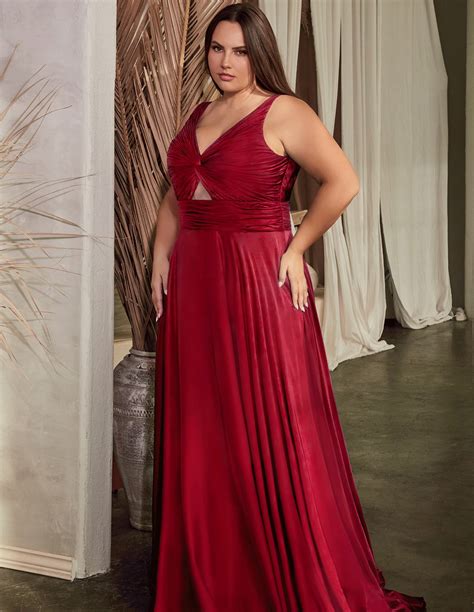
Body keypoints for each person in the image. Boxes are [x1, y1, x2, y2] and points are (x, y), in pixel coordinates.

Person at [149, 4, 427, 611]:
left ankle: (274, 566)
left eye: (239, 51)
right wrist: (161, 256)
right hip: (195, 285)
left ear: (260, 54)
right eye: (217, 49)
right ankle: (214, 566)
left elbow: (344, 181)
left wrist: (297, 247)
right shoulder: (200, 114)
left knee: (266, 424)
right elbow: (178, 195)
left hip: (257, 282)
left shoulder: (285, 112)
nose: (225, 62)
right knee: (205, 425)